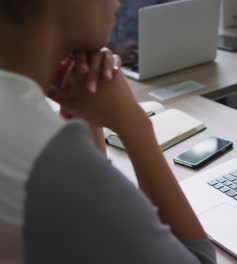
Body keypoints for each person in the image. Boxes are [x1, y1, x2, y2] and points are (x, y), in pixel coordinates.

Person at [0, 1, 215, 263]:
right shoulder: (48, 157)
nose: (118, 2)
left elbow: (91, 229)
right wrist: (134, 125)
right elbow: (198, 259)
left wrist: (81, 111)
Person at [109, 0, 174, 65]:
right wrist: (111, 49)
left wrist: (145, 49)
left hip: (146, 61)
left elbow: (175, 23)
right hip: (107, 60)